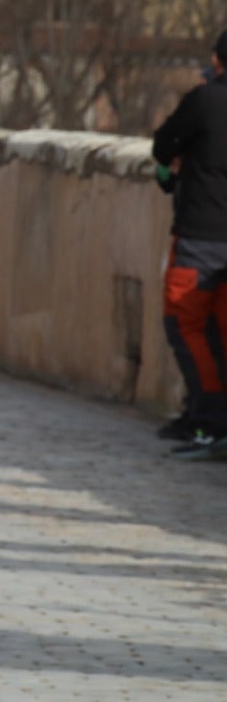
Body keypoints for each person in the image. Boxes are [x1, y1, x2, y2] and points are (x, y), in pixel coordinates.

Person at [151, 30, 227, 459]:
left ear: (217, 61)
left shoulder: (206, 100)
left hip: (201, 235)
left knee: (186, 326)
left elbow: (163, 147)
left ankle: (209, 419)